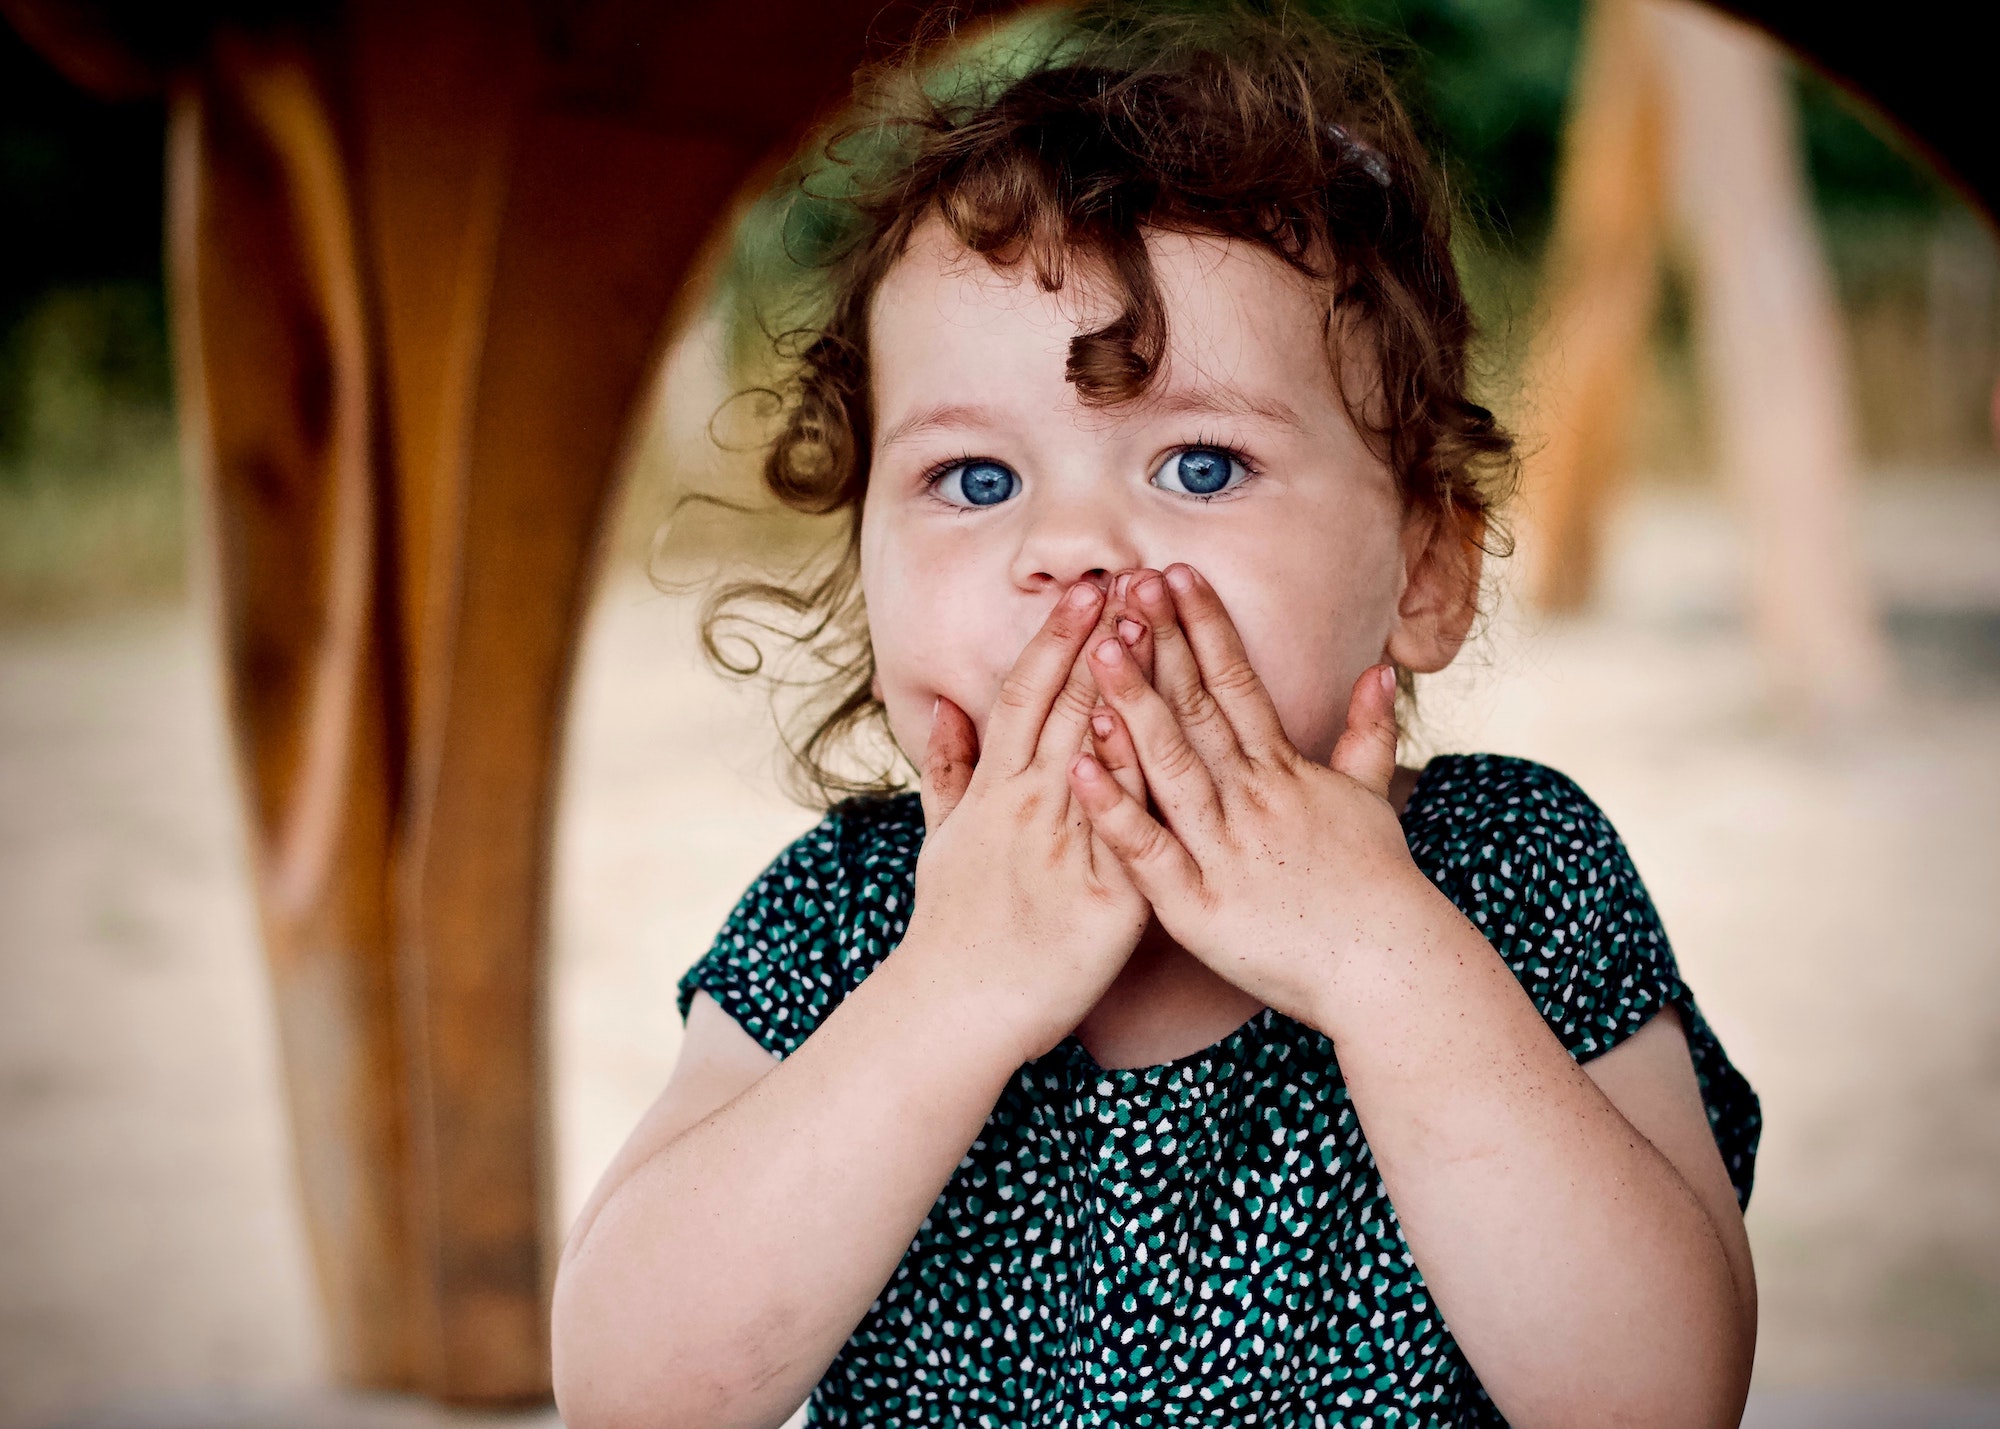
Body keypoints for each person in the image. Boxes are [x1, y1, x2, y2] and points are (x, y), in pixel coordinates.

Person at [551, 6, 1761, 1425]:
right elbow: (634, 1391)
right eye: (978, 480)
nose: (1070, 548)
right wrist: (955, 988)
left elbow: (1660, 1398)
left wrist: (1377, 951)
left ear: (1426, 570)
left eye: (1198, 463)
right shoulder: (856, 918)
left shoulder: (1507, 873)